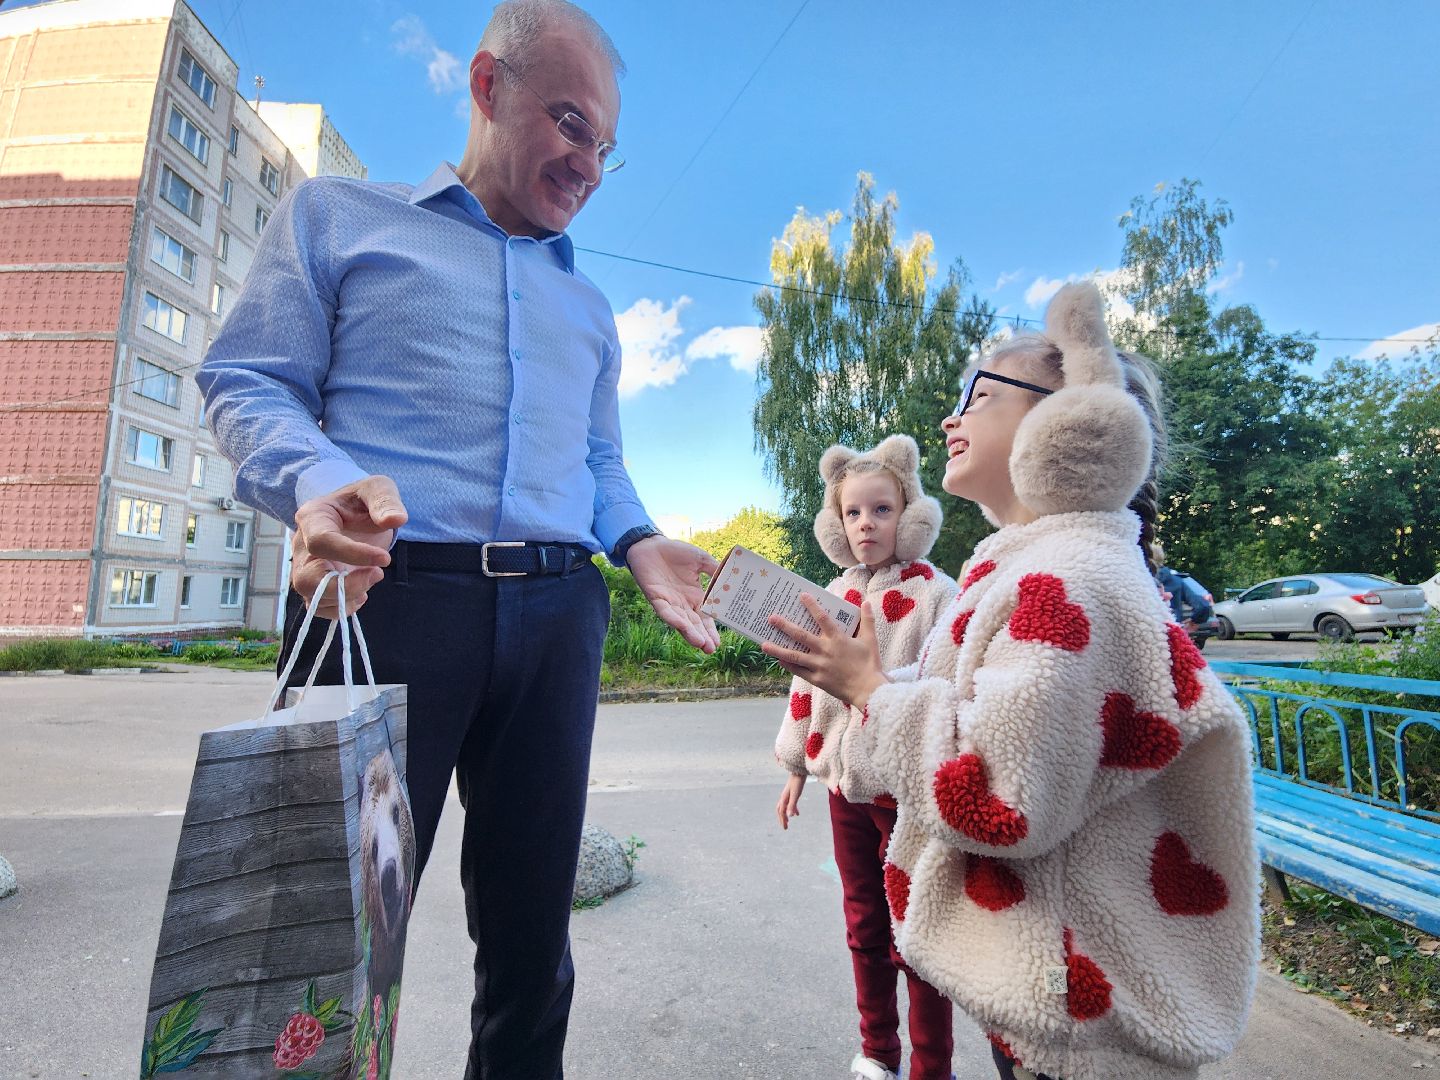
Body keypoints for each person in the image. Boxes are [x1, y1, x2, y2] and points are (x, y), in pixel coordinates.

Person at [196, 3, 718, 1076]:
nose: (590, 164)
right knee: (322, 945)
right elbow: (250, 380)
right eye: (571, 124)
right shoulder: (337, 217)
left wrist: (639, 543)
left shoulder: (591, 309)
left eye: (606, 146)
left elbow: (601, 463)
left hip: (558, 616)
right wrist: (324, 484)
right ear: (488, 86)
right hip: (383, 603)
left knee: (533, 942)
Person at [761, 283, 1260, 1080]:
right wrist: (816, 741)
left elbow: (997, 797)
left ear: (1067, 422)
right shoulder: (1033, 570)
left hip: (1076, 1023)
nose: (952, 418)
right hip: (1055, 993)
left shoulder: (1066, 582)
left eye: (981, 395)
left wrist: (872, 694)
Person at [772, 435, 958, 1080]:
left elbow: (947, 683)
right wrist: (797, 765)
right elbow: (806, 686)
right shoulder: (831, 594)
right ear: (835, 523)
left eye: (881, 510)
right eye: (852, 513)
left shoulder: (937, 593)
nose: (866, 525)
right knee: (864, 925)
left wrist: (884, 683)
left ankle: (932, 1067)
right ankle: (878, 1051)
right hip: (843, 787)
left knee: (917, 932)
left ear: (909, 516)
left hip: (904, 789)